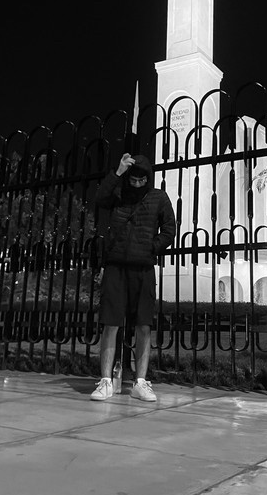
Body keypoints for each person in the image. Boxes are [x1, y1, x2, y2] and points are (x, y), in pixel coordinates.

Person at [91, 153, 176, 402]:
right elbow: (100, 198)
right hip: (116, 265)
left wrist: (151, 248)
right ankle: (106, 381)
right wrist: (117, 172)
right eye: (133, 180)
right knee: (111, 323)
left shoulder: (158, 197)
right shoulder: (118, 193)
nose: (137, 184)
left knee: (143, 325)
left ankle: (140, 382)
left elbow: (169, 229)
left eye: (142, 180)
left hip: (143, 268)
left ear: (148, 178)